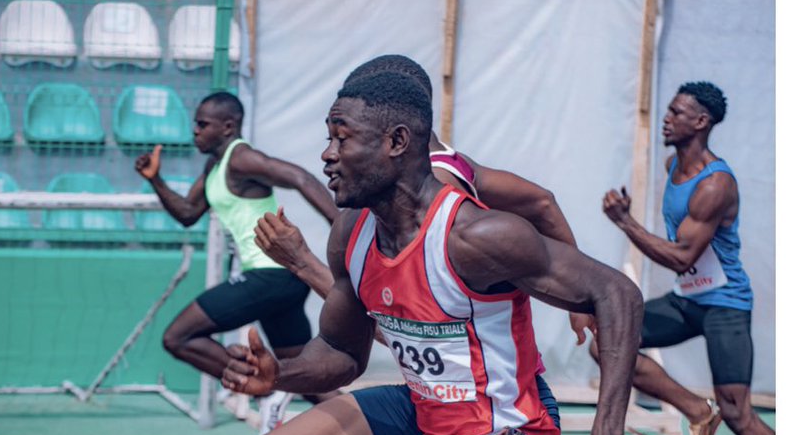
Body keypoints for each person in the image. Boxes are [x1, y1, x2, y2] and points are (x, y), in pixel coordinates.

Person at [222, 71, 642, 435]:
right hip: (425, 415)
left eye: (341, 138)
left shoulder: (476, 237)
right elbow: (341, 351)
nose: (327, 155)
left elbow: (616, 292)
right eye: (328, 139)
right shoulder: (351, 234)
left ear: (396, 142)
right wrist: (280, 374)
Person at [254, 54, 595, 345]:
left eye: (347, 133)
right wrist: (576, 301)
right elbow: (542, 202)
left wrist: (301, 262)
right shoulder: (451, 162)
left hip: (475, 384)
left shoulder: (436, 191)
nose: (332, 152)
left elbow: (399, 331)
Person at [135, 91, 340, 434]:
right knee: (305, 377)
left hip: (271, 274)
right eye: (194, 124)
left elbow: (300, 178)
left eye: (203, 124)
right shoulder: (214, 165)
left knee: (178, 338)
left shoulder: (241, 158)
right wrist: (155, 180)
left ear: (228, 126)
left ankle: (267, 389)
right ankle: (370, 432)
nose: (194, 131)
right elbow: (187, 213)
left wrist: (344, 228)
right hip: (280, 281)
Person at [600, 81, 774, 435]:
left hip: (725, 304)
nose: (666, 118)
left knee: (737, 412)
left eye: (677, 113)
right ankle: (697, 411)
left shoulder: (716, 184)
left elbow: (681, 258)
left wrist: (626, 223)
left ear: (700, 121)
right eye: (669, 110)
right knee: (610, 339)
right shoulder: (672, 166)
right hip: (687, 300)